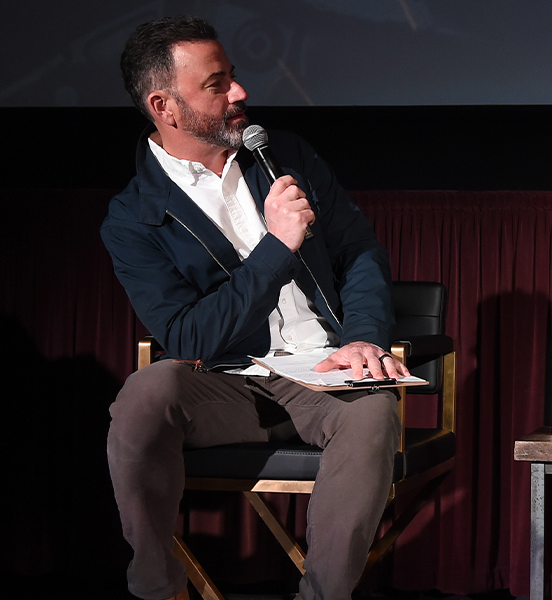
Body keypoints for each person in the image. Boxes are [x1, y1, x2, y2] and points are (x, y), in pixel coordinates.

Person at [102, 16, 410, 600]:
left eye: (233, 77)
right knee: (143, 396)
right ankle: (156, 584)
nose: (240, 93)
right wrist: (275, 247)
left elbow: (359, 250)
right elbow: (189, 337)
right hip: (224, 384)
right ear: (164, 107)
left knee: (374, 415)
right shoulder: (134, 217)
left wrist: (363, 335)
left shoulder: (285, 156)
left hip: (323, 372)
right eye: (216, 85)